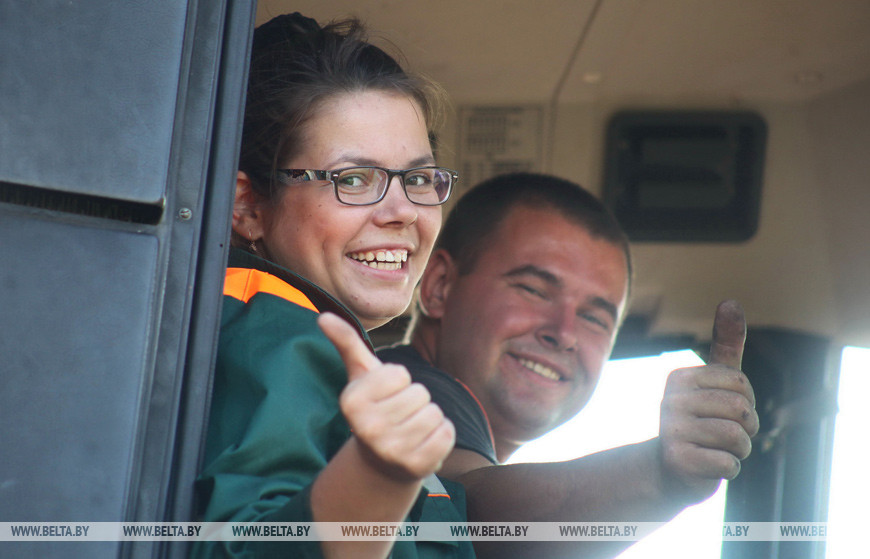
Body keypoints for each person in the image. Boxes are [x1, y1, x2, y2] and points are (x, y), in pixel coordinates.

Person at [192, 13, 475, 559]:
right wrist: (373, 479)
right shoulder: (281, 334)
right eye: (353, 179)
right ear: (248, 207)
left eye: (418, 178)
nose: (402, 212)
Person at [378, 172, 759, 558]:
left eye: (594, 318)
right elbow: (467, 513)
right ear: (440, 285)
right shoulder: (396, 393)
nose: (564, 333)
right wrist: (659, 475)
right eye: (533, 289)